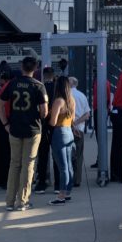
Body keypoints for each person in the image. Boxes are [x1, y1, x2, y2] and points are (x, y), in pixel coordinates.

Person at [0, 56, 48, 212]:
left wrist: (5, 123)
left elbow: (0, 104)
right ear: (36, 68)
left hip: (14, 128)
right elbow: (44, 112)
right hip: (32, 130)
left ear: (21, 67)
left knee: (14, 164)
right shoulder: (39, 86)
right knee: (28, 165)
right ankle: (23, 201)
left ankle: (9, 201)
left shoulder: (12, 84)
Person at [48, 75, 76, 204]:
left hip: (59, 132)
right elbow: (73, 119)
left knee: (62, 166)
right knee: (68, 165)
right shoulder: (71, 100)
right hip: (69, 131)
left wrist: (49, 114)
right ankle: (68, 191)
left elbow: (53, 122)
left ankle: (61, 195)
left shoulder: (58, 101)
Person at [34, 67, 59, 193]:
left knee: (43, 155)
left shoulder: (40, 88)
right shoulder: (57, 88)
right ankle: (58, 184)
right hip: (55, 124)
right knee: (56, 155)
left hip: (43, 124)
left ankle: (42, 182)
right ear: (53, 75)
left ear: (44, 76)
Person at [69, 76, 91, 187]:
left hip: (67, 128)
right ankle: (77, 179)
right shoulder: (82, 96)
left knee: (68, 154)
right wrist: (77, 123)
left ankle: (68, 177)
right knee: (79, 154)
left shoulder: (66, 96)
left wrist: (72, 124)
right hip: (79, 129)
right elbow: (87, 114)